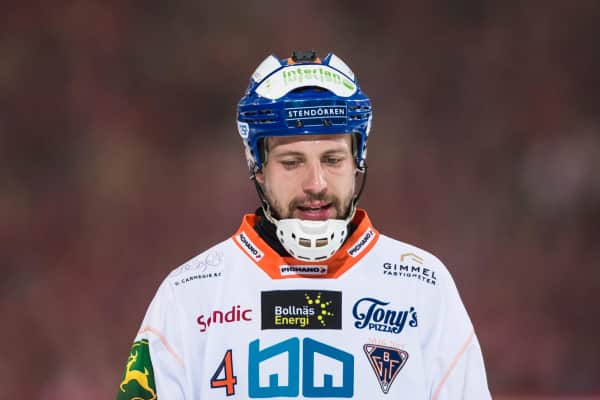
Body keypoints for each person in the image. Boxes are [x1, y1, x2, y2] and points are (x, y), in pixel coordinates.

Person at [116, 50, 492, 399]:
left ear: (358, 159)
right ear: (257, 167)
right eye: (292, 162)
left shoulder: (423, 287)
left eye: (333, 159)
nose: (316, 183)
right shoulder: (190, 294)